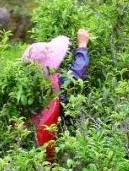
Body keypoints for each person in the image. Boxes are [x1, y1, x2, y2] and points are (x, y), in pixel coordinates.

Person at [23, 29, 91, 162]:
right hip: (53, 141)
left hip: (30, 145)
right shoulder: (56, 83)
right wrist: (82, 46)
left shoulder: (26, 87)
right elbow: (77, 72)